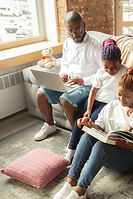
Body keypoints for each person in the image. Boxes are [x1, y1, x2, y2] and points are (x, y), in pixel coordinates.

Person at [52, 68, 133, 199]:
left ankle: (80, 191)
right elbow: (99, 126)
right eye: (119, 94)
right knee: (88, 135)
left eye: (126, 96)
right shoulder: (112, 105)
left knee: (102, 145)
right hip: (105, 151)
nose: (121, 99)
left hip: (127, 158)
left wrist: (125, 145)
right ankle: (71, 180)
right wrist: (89, 123)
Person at [34, 11, 102, 141]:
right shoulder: (67, 43)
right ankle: (49, 125)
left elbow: (103, 73)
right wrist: (63, 75)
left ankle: (77, 137)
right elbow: (64, 64)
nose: (75, 34)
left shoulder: (96, 45)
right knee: (40, 94)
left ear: (84, 25)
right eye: (70, 31)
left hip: (88, 85)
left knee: (66, 100)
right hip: (69, 83)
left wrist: (83, 80)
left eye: (78, 29)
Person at [64, 38, 128, 160]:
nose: (110, 71)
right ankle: (71, 149)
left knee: (89, 122)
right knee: (80, 118)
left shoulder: (126, 70)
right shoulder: (100, 72)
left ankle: (83, 151)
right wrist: (88, 108)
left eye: (114, 66)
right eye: (106, 67)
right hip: (96, 100)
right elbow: (93, 91)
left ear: (120, 61)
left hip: (107, 104)